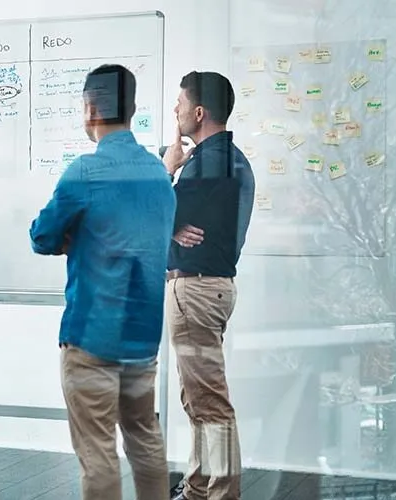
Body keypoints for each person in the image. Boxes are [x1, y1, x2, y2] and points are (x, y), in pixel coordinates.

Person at [29, 64, 175, 500]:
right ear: (131, 109)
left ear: (90, 108)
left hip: (92, 335)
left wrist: (75, 236)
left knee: (98, 454)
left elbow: (42, 235)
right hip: (143, 338)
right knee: (145, 439)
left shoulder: (85, 173)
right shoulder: (157, 175)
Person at [162, 71, 255, 500]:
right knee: (198, 398)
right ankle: (198, 487)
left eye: (180, 103)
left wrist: (168, 168)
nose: (176, 111)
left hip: (196, 291)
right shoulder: (230, 159)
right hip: (210, 288)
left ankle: (221, 492)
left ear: (199, 112)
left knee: (210, 404)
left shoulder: (206, 163)